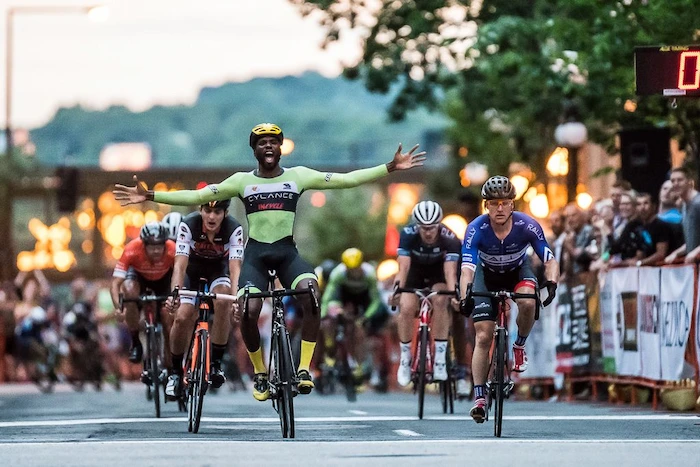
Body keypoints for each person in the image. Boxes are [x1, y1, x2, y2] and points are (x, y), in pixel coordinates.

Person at [113, 122, 425, 401]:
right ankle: (261, 373)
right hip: (256, 256)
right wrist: (151, 196)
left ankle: (303, 369)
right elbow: (196, 198)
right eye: (262, 143)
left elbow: (347, 180)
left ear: (280, 148)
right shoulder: (241, 181)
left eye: (274, 142)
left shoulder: (298, 176)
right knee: (248, 310)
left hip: (287, 254)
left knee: (311, 296)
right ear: (255, 150)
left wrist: (389, 167)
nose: (269, 146)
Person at [458, 176, 559, 423]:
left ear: (513, 205)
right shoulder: (476, 229)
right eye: (494, 203)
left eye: (505, 203)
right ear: (486, 206)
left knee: (527, 301)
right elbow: (467, 269)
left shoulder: (528, 225)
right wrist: (465, 296)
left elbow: (549, 258)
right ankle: (480, 397)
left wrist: (552, 281)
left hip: (517, 271)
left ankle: (519, 345)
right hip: (487, 275)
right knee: (483, 335)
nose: (500, 208)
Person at [163, 200, 244, 398]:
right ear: (200, 210)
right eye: (207, 211)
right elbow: (180, 266)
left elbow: (235, 268)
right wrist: (175, 293)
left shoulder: (234, 229)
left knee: (223, 301)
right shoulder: (188, 225)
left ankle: (215, 364)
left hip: (219, 270)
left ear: (225, 213)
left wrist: (236, 298)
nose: (211, 217)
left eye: (217, 212)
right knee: (182, 317)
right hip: (192, 270)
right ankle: (175, 372)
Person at [391, 201, 460, 387]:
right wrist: (396, 290)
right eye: (424, 228)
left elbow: (450, 272)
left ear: (439, 224)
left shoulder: (449, 237)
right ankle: (405, 358)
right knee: (406, 307)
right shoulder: (407, 234)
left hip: (439, 273)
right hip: (415, 273)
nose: (428, 232)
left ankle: (439, 357)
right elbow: (403, 268)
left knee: (440, 300)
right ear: (417, 226)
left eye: (432, 228)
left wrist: (454, 294)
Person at [321, 248, 390, 389]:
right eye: (350, 270)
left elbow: (375, 300)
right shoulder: (338, 273)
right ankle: (330, 349)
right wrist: (323, 316)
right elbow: (328, 297)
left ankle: (358, 364)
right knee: (331, 316)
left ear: (361, 265)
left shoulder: (369, 274)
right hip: (344, 295)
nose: (353, 273)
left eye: (356, 269)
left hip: (362, 298)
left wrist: (366, 317)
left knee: (359, 328)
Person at [110, 222, 175, 366]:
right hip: (139, 278)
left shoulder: (173, 249)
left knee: (167, 316)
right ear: (143, 244)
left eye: (160, 246)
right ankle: (135, 341)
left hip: (164, 280)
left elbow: (182, 276)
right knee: (129, 290)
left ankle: (171, 360)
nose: (156, 251)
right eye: (152, 246)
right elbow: (115, 283)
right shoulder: (132, 249)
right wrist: (119, 308)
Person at [665, 167, 700, 264]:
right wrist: (676, 253)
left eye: (680, 180)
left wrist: (695, 252)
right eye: (673, 181)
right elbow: (692, 241)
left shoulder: (698, 203)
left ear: (689, 181)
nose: (675, 184)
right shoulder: (684, 206)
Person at [636, 193, 671, 266]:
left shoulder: (660, 225)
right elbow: (640, 253)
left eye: (646, 203)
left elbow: (661, 254)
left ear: (653, 206)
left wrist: (640, 263)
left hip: (663, 270)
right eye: (638, 204)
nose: (642, 207)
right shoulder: (640, 227)